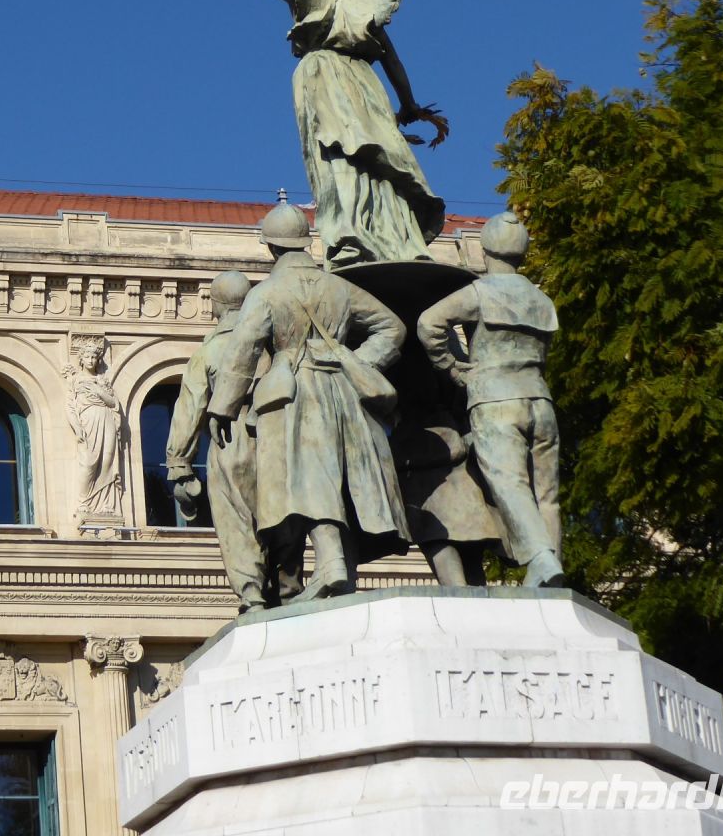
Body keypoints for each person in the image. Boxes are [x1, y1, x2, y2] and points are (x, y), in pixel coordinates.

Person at [228, 0, 445, 267]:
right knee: (376, 160)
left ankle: (349, 237)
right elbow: (392, 58)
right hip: (365, 84)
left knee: (336, 158)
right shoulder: (363, 1)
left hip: (321, 78)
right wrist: (408, 103)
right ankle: (396, 238)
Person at [207, 205, 412, 600]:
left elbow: (243, 351)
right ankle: (343, 574)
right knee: (343, 475)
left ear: (269, 246)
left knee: (308, 477)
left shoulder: (265, 293)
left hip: (293, 394)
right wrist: (351, 359)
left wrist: (222, 407)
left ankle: (332, 563)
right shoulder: (338, 287)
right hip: (341, 390)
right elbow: (393, 327)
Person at [416, 211, 565, 587]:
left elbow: (429, 323)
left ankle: (542, 559)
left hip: (495, 400)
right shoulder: (542, 301)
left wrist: (451, 366)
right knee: (547, 493)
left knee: (509, 483)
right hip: (540, 401)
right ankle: (551, 568)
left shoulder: (481, 292)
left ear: (485, 252)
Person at [165, 270, 299, 612]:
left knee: (238, 521)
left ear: (215, 307)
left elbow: (190, 408)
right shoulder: (273, 343)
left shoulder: (208, 352)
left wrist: (180, 463)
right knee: (282, 515)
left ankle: (251, 595)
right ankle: (290, 588)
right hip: (276, 435)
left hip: (229, 439)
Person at [66, 338, 124, 519]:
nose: (91, 360)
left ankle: (106, 504)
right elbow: (69, 406)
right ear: (81, 359)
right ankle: (84, 502)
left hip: (106, 418)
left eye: (94, 357)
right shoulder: (75, 380)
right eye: (87, 357)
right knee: (89, 462)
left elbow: (114, 403)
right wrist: (77, 428)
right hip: (88, 420)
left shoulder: (102, 381)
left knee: (107, 461)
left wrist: (99, 391)